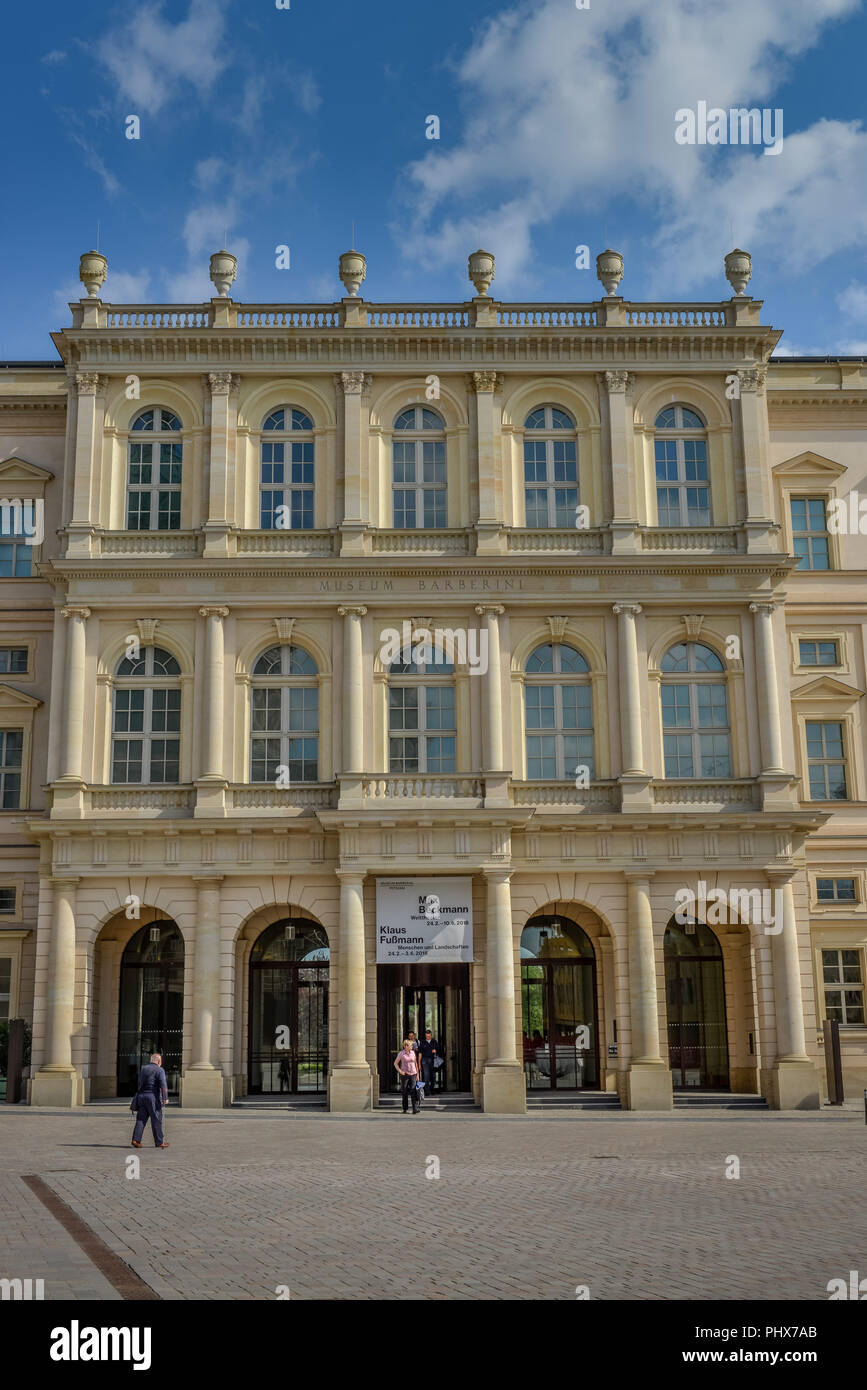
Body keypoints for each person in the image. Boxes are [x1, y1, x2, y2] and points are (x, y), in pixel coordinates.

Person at [131, 1052, 170, 1148]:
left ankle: (136, 1140)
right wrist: (165, 1098)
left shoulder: (144, 1069)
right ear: (159, 1061)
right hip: (153, 1097)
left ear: (151, 1060)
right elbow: (163, 1085)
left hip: (142, 1096)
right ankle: (159, 1142)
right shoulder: (160, 1070)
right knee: (156, 1119)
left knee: (141, 1119)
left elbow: (140, 1083)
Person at [394, 1038, 421, 1114]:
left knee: (413, 1090)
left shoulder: (413, 1053)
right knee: (405, 1091)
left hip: (413, 1073)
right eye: (410, 1045)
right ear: (406, 1046)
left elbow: (415, 1063)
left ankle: (414, 1108)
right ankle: (405, 1108)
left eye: (412, 1045)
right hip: (405, 1074)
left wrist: (418, 1075)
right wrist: (400, 1071)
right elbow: (395, 1063)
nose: (412, 1046)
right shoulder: (401, 1053)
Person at [419, 1028, 441, 1095]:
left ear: (431, 1035)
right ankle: (427, 1091)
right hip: (424, 1060)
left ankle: (432, 1090)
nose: (428, 1037)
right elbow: (420, 1053)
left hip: (433, 1060)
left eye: (429, 1036)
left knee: (433, 1076)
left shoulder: (434, 1041)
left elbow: (439, 1050)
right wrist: (419, 1063)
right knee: (426, 1076)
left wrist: (436, 1051)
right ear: (425, 1036)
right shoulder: (422, 1042)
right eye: (427, 1036)